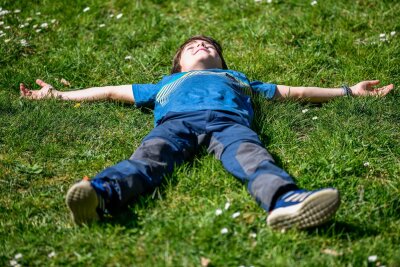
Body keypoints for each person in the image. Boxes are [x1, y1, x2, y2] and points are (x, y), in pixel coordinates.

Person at [20, 35, 394, 230]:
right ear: (179, 63)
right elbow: (110, 91)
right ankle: (101, 194)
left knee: (253, 158)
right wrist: (59, 94)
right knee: (148, 160)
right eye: (192, 46)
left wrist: (347, 91)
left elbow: (291, 92)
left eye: (209, 46)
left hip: (230, 126)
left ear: (221, 60)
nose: (202, 46)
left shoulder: (238, 79)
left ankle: (285, 202)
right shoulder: (165, 84)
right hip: (174, 127)